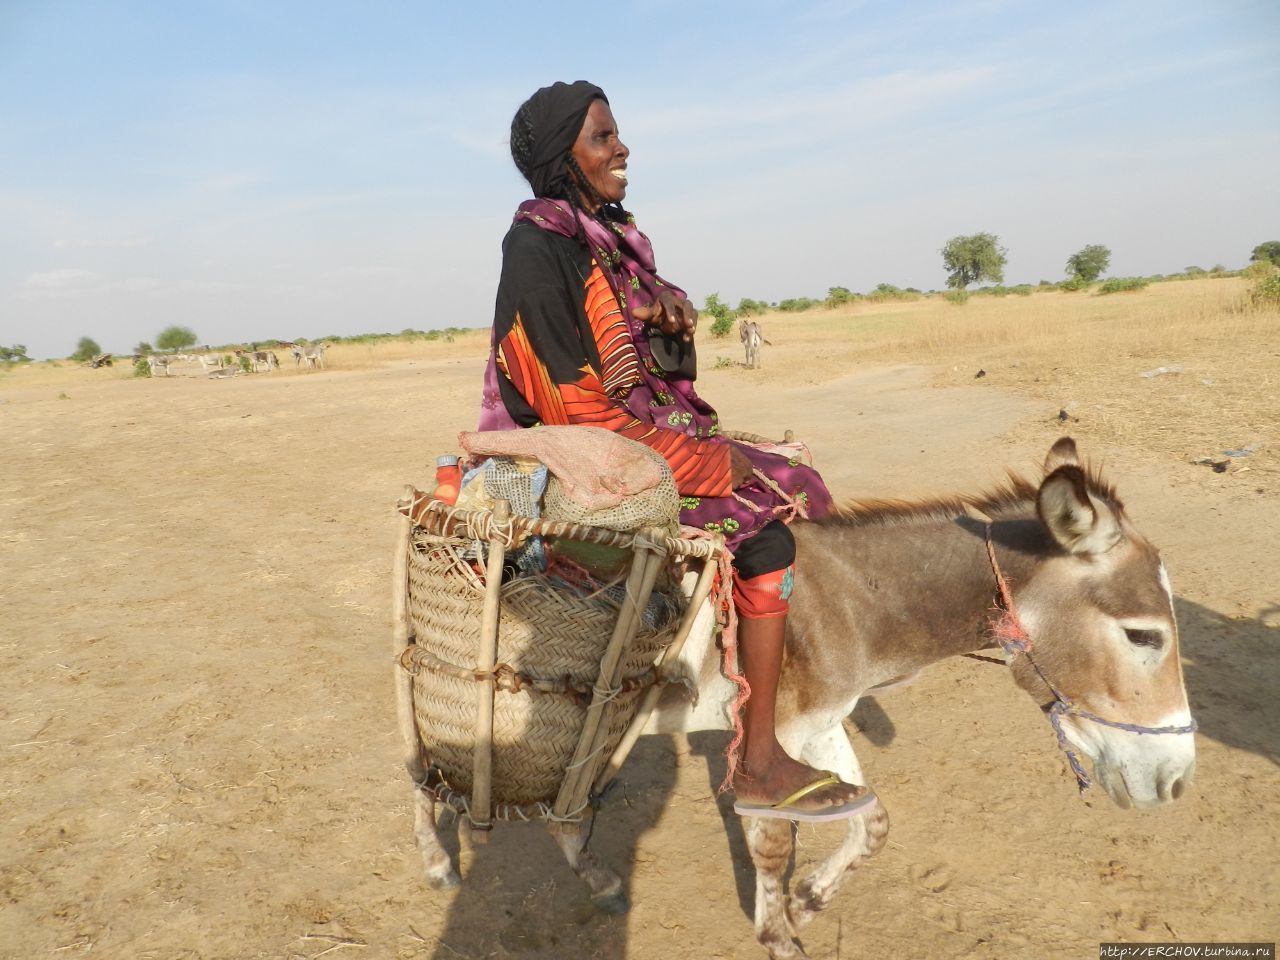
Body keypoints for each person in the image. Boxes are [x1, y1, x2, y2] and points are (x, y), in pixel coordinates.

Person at [477, 81, 872, 822]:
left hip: (631, 435)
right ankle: (757, 760)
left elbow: (658, 377)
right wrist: (713, 463)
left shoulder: (609, 243)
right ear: (566, 156)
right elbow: (569, 405)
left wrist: (668, 324)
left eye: (616, 134)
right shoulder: (537, 246)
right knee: (768, 525)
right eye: (603, 138)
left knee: (802, 479)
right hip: (580, 453)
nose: (622, 149)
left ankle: (757, 680)